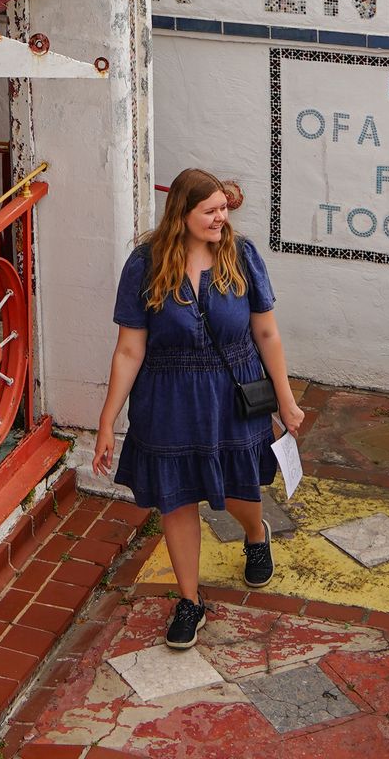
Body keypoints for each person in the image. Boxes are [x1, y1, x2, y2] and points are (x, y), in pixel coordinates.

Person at [92, 168, 305, 650]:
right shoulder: (144, 265)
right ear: (181, 214)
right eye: (209, 212)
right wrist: (107, 421)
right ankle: (189, 601)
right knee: (176, 496)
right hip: (168, 398)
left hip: (231, 392)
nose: (220, 220)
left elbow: (266, 333)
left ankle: (255, 534)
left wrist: (286, 400)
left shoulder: (241, 256)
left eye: (223, 211)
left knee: (237, 484)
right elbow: (129, 350)